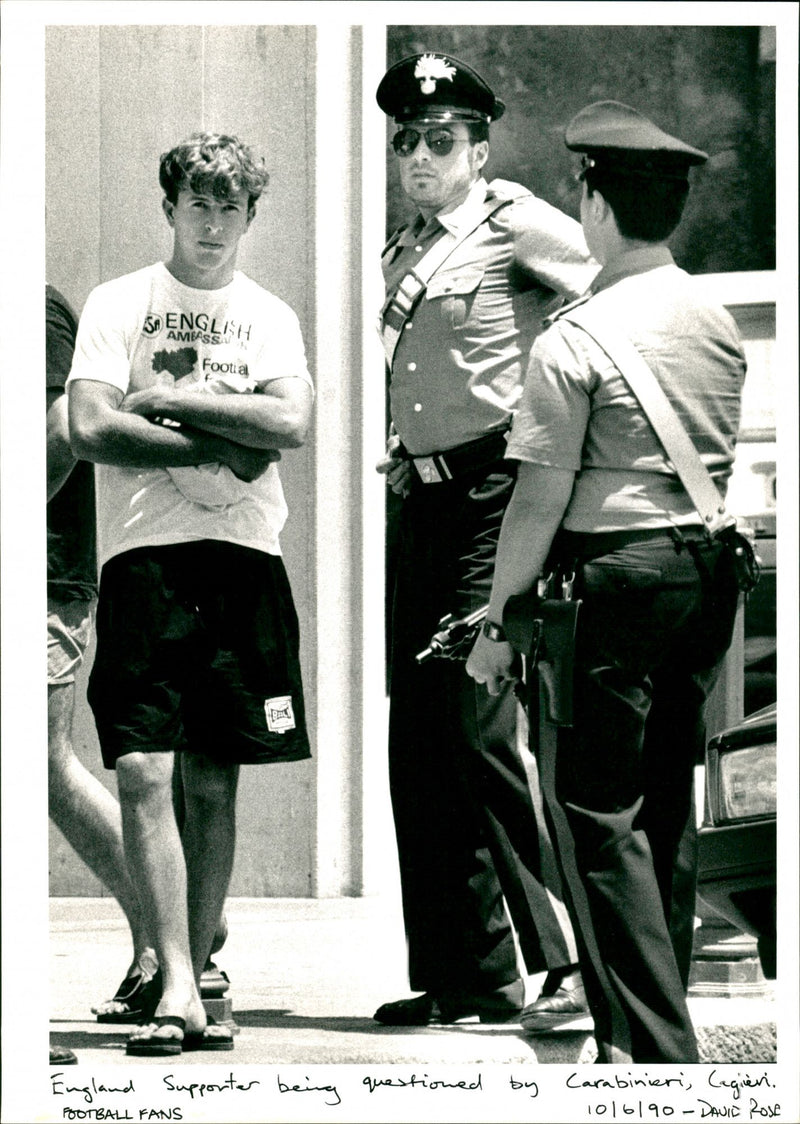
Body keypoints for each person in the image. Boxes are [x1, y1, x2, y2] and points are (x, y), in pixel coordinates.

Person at [466, 100, 746, 1062]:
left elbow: (536, 505)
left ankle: (653, 1053)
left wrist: (496, 620)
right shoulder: (714, 319)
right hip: (704, 574)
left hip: (610, 584)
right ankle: (663, 1028)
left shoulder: (571, 340)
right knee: (664, 805)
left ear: (591, 201)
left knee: (591, 813)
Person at [67, 132, 314, 1056]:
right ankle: (173, 974)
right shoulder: (121, 302)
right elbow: (93, 424)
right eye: (198, 204)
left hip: (244, 557)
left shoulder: (269, 315)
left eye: (231, 208)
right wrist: (228, 440)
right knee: (141, 769)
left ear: (252, 217)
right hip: (146, 559)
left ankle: (199, 976)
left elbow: (289, 419)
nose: (213, 224)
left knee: (214, 776)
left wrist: (166, 405)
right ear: (169, 207)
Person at [373, 52, 598, 1028]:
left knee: (475, 725)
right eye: (404, 142)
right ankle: (465, 974)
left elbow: (599, 316)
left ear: (477, 146)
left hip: (491, 500)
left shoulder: (513, 226)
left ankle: (566, 955)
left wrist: (555, 441)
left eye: (438, 140)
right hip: (419, 505)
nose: (418, 157)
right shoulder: (400, 249)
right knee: (416, 740)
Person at [47, 284, 157, 1062]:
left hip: (43, 574)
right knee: (43, 771)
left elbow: (64, 431)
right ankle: (174, 923)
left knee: (36, 766)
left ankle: (171, 924)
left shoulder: (31, 306)